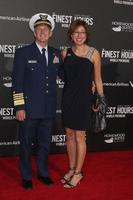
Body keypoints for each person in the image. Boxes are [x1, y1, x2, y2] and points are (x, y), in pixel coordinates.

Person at [12, 13, 62, 190]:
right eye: (39, 29)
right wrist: (19, 107)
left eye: (46, 29)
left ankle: (43, 173)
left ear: (51, 33)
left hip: (48, 109)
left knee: (44, 144)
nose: (42, 32)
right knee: (26, 144)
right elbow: (17, 83)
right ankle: (26, 176)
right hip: (29, 110)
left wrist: (87, 81)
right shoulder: (23, 53)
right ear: (34, 33)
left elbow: (65, 75)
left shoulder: (56, 53)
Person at [60, 19, 105, 188]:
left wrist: (101, 99)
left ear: (86, 35)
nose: (79, 36)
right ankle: (72, 169)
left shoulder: (93, 53)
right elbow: (64, 76)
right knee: (69, 136)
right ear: (71, 35)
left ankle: (78, 173)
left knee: (80, 137)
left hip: (84, 100)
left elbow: (98, 79)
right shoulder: (65, 53)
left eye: (82, 33)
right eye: (76, 32)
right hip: (68, 99)